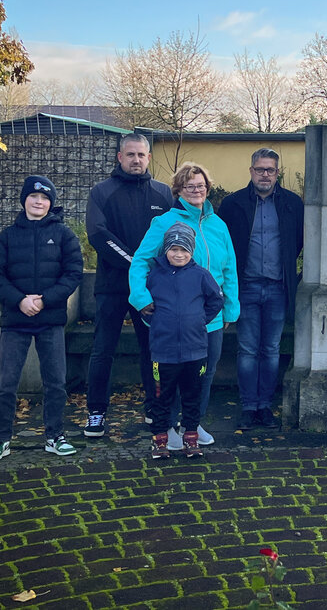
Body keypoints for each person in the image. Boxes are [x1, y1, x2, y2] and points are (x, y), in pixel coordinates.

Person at [129, 162, 239, 447]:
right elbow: (140, 261)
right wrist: (141, 298)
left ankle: (193, 423)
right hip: (172, 319)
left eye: (201, 186)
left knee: (204, 374)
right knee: (171, 377)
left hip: (210, 319)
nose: (196, 191)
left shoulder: (219, 225)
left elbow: (229, 269)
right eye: (189, 186)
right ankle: (169, 427)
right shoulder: (164, 222)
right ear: (178, 190)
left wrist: (230, 307)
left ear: (208, 188)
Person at [0, 175, 84, 461]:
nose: (39, 202)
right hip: (15, 321)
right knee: (6, 384)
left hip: (50, 320)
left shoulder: (64, 235)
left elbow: (73, 273)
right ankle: (1, 439)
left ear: (51, 203)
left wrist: (45, 300)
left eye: (44, 198)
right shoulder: (8, 236)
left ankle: (55, 436)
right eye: (33, 196)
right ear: (24, 200)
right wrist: (20, 300)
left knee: (55, 383)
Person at [84, 133, 173, 438]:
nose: (136, 160)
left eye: (141, 155)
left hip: (150, 288)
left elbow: (173, 236)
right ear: (120, 157)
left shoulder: (163, 193)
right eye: (131, 154)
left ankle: (155, 408)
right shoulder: (101, 192)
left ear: (149, 158)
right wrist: (135, 264)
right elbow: (97, 234)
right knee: (103, 350)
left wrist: (150, 271)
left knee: (152, 349)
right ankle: (96, 412)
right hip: (112, 286)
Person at [216, 148, 304, 429]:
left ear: (278, 173)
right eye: (260, 169)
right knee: (247, 349)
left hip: (278, 288)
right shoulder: (232, 204)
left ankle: (265, 406)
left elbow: (298, 241)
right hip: (246, 287)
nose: (265, 174)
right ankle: (248, 406)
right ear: (251, 171)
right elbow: (223, 245)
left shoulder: (292, 203)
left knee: (271, 349)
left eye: (270, 170)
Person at [142, 222, 225, 459]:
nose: (179, 254)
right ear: (166, 250)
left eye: (184, 250)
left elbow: (216, 300)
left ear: (192, 251)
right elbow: (143, 304)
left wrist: (200, 320)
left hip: (194, 350)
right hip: (163, 351)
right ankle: (160, 440)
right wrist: (156, 321)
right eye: (174, 249)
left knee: (192, 396)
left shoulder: (201, 275)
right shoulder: (154, 275)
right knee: (161, 397)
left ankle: (191, 437)